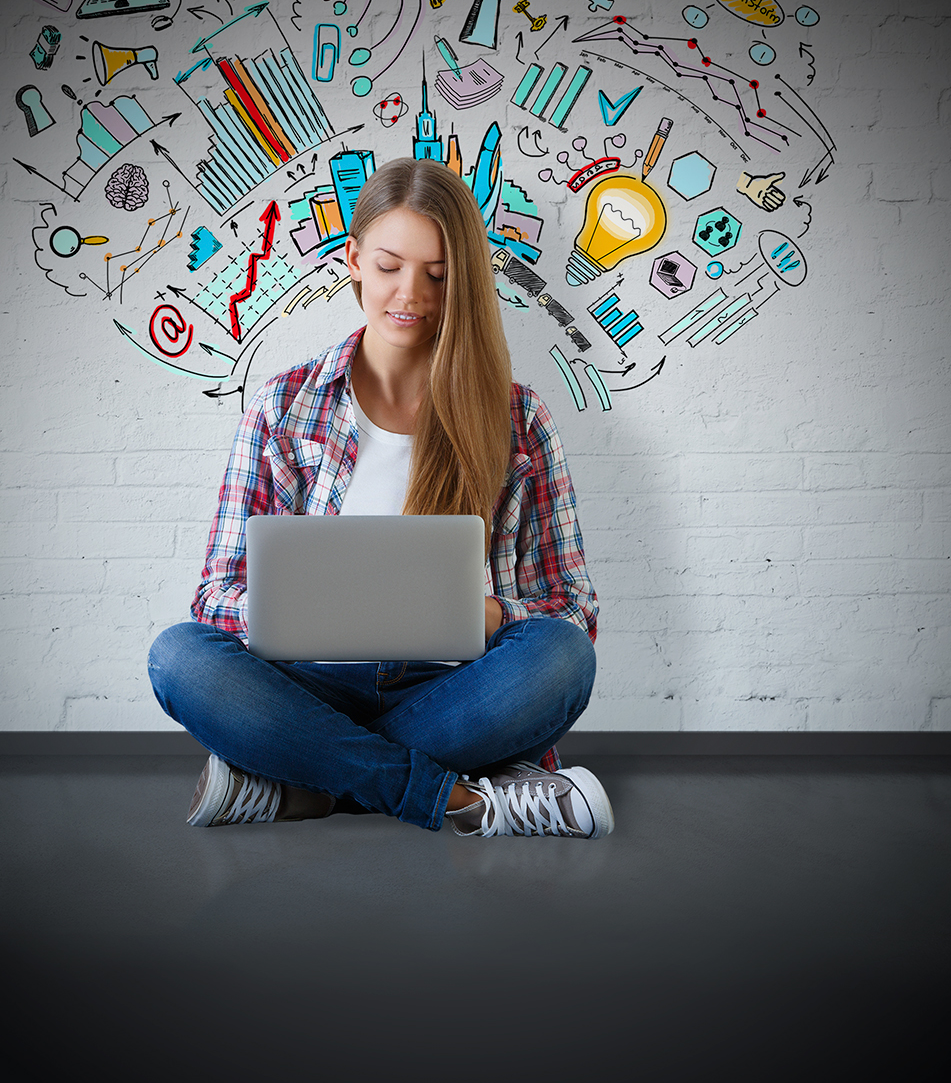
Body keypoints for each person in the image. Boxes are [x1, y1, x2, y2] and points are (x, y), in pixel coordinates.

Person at [148, 157, 614, 839]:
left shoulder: (518, 417)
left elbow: (572, 611)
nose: (412, 295)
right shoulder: (284, 405)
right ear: (353, 261)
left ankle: (307, 783)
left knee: (563, 661)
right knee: (178, 657)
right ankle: (461, 797)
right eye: (391, 265)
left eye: (438, 274)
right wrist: (288, 607)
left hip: (452, 688)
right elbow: (216, 598)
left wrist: (485, 614)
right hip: (310, 685)